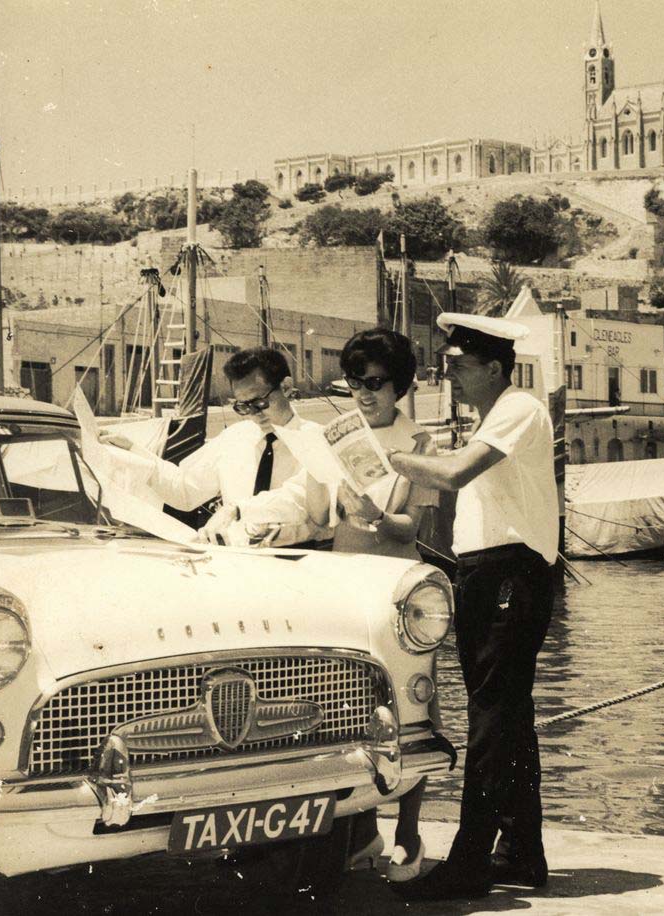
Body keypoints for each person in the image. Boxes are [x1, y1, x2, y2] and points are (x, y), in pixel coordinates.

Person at [387, 314, 558, 902]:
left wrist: (395, 458)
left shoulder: (518, 407)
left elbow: (457, 473)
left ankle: (469, 859)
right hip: (489, 573)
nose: (449, 376)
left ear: (492, 366)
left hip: (512, 571)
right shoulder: (496, 417)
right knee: (508, 715)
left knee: (490, 716)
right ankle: (520, 850)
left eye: (458, 367)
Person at [287, 328, 439, 881]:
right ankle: (361, 829)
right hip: (342, 577)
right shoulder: (332, 437)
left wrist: (376, 516)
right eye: (355, 382)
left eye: (375, 383)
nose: (364, 393)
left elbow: (410, 527)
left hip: (394, 584)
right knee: (343, 707)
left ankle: (410, 833)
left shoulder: (420, 443)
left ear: (399, 385)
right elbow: (322, 516)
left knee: (409, 709)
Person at [100, 347, 325, 546]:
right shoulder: (234, 438)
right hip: (234, 563)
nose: (255, 415)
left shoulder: (317, 439)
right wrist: (132, 452)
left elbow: (303, 502)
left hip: (296, 564)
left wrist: (236, 510)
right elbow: (184, 489)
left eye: (260, 402)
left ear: (286, 387)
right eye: (244, 406)